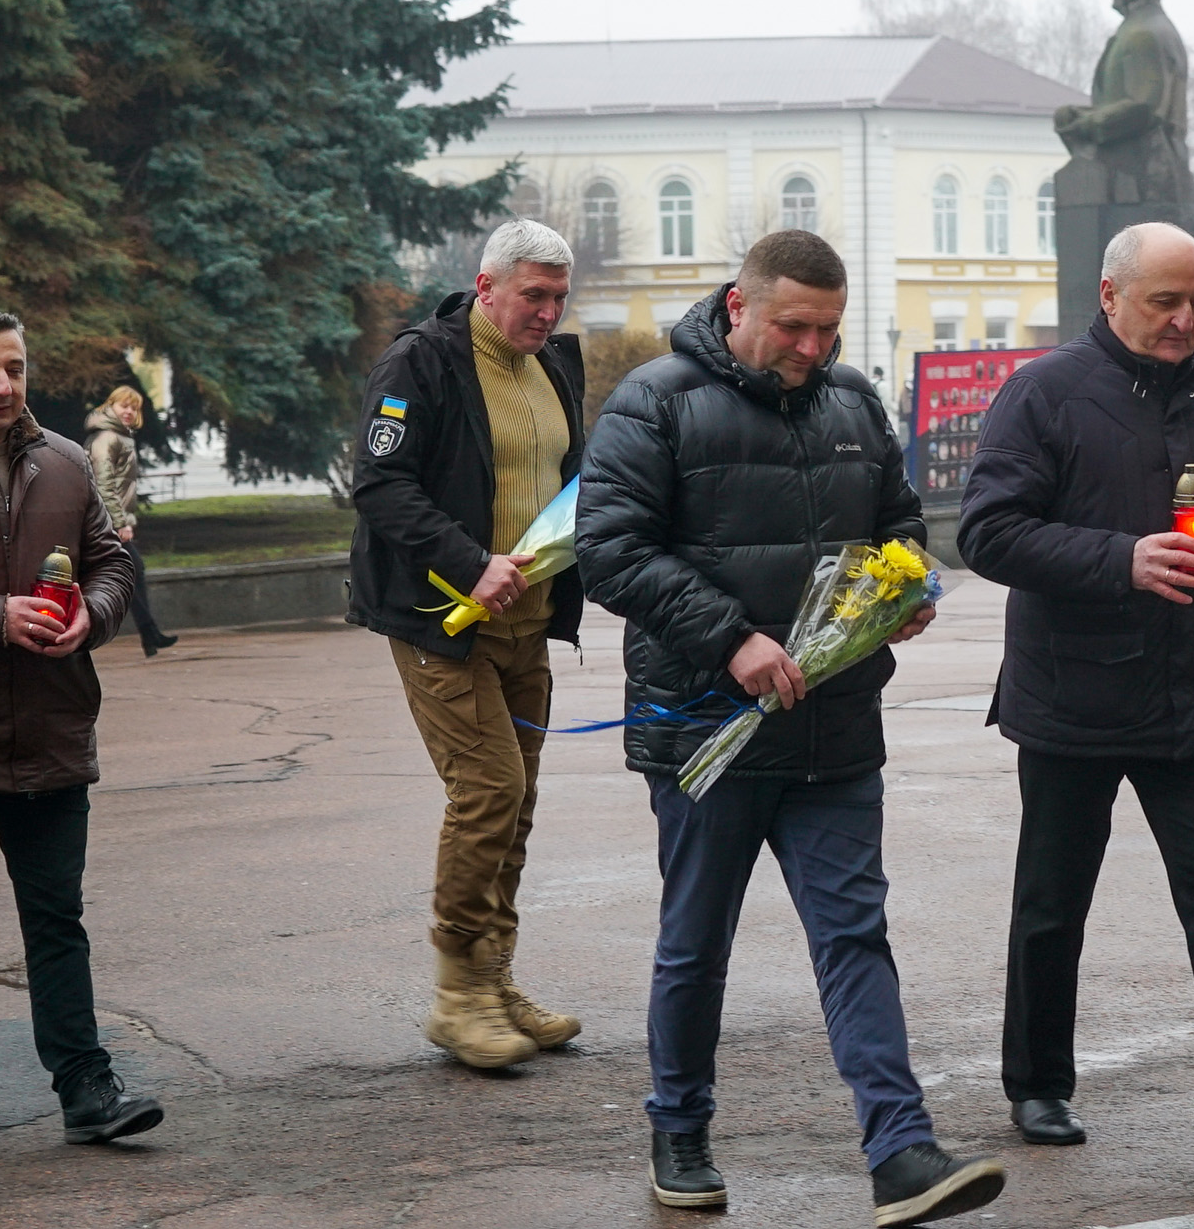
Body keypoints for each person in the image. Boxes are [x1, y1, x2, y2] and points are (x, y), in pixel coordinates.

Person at [575, 230, 1004, 1226]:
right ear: (740, 306)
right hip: (705, 728)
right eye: (793, 326)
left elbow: (899, 520)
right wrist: (733, 639)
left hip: (835, 725)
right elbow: (607, 551)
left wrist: (901, 585)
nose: (813, 347)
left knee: (855, 935)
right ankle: (677, 1129)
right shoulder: (656, 399)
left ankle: (900, 1150)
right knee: (697, 942)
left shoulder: (852, 401)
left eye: (828, 329)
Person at [958, 222, 1194, 1167]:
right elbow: (988, 533)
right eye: (1164, 301)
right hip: (1071, 701)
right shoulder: (1042, 393)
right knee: (1053, 905)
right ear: (1109, 295)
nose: (1183, 320)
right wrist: (1121, 558)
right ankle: (1039, 1083)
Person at [347, 218, 586, 1070]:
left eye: (559, 297)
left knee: (516, 804)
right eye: (533, 295)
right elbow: (379, 482)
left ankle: (494, 977)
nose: (548, 313)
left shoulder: (555, 364)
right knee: (488, 787)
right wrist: (468, 560)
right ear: (487, 288)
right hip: (439, 621)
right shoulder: (423, 361)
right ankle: (457, 996)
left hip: (529, 626)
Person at [0, 310, 154, 1143]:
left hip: (49, 726)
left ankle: (87, 1088)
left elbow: (114, 561)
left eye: (13, 366)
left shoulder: (65, 461)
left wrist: (92, 613)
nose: (1, 384)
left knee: (55, 918)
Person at [84, 387, 177, 655]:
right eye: (123, 406)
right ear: (110, 405)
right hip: (106, 523)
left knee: (134, 572)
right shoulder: (107, 438)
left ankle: (150, 636)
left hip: (112, 521)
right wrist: (119, 522)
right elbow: (104, 484)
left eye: (134, 408)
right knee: (132, 571)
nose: (129, 412)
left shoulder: (120, 437)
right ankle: (149, 634)